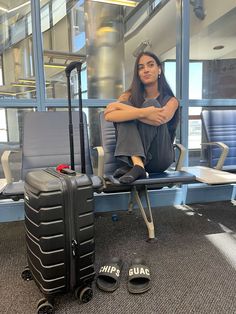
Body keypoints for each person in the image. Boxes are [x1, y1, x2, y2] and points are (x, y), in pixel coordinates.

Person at [104, 51, 180, 184]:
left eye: (150, 65)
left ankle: (136, 165)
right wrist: (144, 113)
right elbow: (109, 115)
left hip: (159, 157)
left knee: (149, 104)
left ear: (159, 69)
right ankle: (138, 165)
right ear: (137, 74)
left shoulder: (171, 100)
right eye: (141, 67)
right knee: (127, 108)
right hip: (134, 160)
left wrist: (131, 112)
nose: (146, 70)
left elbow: (159, 119)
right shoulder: (128, 95)